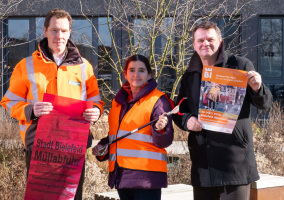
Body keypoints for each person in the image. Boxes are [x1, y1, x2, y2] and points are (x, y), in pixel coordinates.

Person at [0, 8, 104, 199]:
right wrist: (31, 109)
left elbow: (96, 102)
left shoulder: (84, 67)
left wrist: (96, 111)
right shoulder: (26, 65)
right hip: (38, 145)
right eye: (54, 30)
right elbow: (9, 102)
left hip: (73, 147)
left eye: (64, 31)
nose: (59, 35)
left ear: (69, 33)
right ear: (45, 31)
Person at [173, 21, 273, 200]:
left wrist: (258, 88)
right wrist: (187, 120)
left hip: (235, 163)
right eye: (200, 40)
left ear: (220, 42)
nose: (205, 43)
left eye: (210, 39)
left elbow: (265, 104)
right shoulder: (189, 75)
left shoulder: (240, 66)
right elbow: (179, 109)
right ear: (194, 44)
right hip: (203, 165)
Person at [92, 55, 174, 200]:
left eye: (141, 70)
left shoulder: (159, 101)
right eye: (132, 70)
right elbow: (117, 136)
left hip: (146, 179)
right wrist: (103, 147)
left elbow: (165, 141)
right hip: (121, 176)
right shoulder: (118, 102)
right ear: (125, 74)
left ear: (149, 74)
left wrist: (161, 129)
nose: (136, 74)